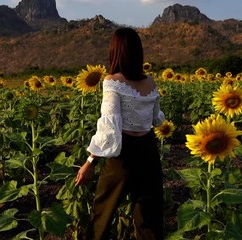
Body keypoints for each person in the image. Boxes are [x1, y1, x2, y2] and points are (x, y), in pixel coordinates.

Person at [75, 27, 166, 240]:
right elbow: (157, 119)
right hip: (149, 151)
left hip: (123, 154)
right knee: (148, 216)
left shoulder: (112, 82)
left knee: (103, 212)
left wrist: (90, 161)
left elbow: (109, 126)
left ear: (115, 52)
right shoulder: (151, 83)